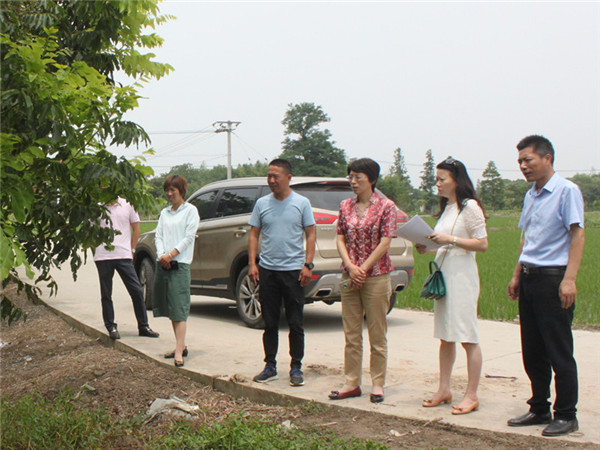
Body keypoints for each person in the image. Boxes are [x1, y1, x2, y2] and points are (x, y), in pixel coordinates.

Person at [506, 135, 584, 437]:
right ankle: (539, 407)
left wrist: (569, 279)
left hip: (553, 278)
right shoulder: (531, 195)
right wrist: (516, 275)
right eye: (520, 162)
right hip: (529, 276)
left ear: (547, 158)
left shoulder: (566, 191)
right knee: (533, 349)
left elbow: (577, 235)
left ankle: (566, 414)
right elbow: (527, 239)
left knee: (558, 350)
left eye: (528, 160)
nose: (523, 166)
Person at [416, 157, 488, 415]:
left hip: (462, 278)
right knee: (445, 336)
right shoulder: (448, 207)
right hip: (445, 276)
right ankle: (444, 389)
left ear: (456, 180)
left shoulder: (470, 207)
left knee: (467, 336)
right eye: (436, 179)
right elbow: (445, 243)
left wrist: (449, 239)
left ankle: (471, 394)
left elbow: (482, 243)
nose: (437, 183)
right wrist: (428, 247)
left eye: (442, 179)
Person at [329, 158, 397, 404]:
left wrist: (364, 268)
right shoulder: (345, 205)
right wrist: (350, 266)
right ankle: (352, 382)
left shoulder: (386, 206)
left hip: (376, 276)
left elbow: (385, 241)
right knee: (351, 333)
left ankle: (377, 383)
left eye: (358, 177)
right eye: (351, 177)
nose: (353, 181)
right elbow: (340, 237)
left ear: (372, 179)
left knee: (377, 333)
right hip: (349, 274)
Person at [248, 159, 316, 387]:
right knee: (270, 322)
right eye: (269, 176)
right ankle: (270, 365)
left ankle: (296, 367)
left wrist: (308, 265)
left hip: (294, 271)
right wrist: (253, 264)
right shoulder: (262, 204)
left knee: (295, 322)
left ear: (288, 177)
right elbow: (254, 234)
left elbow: (311, 234)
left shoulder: (301, 203)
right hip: (268, 270)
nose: (271, 180)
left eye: (276, 176)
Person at [94, 197, 159, 340]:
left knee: (136, 291)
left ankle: (143, 326)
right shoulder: (97, 206)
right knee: (106, 293)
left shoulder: (128, 204)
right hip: (103, 256)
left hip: (124, 255)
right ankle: (111, 326)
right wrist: (96, 247)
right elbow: (90, 230)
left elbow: (136, 229)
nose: (106, 186)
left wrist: (132, 250)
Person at [152, 175, 200, 368]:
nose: (169, 193)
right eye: (167, 190)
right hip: (164, 263)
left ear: (181, 190)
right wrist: (162, 255)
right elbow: (158, 235)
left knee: (179, 308)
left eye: (173, 189)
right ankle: (180, 345)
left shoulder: (190, 211)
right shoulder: (164, 213)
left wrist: (171, 254)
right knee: (170, 308)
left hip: (179, 264)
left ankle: (179, 351)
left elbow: (189, 237)